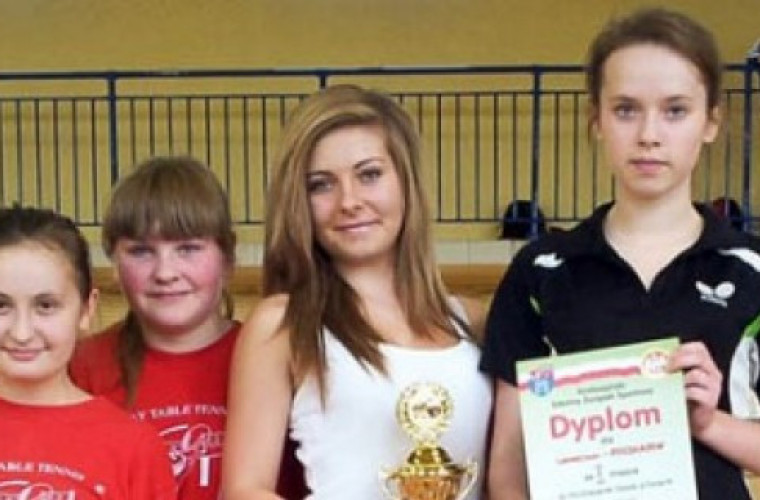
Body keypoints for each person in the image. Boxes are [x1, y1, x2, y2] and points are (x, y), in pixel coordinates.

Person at [480, 8, 760, 500]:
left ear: (711, 122)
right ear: (596, 120)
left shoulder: (751, 269)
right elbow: (507, 462)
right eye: (626, 109)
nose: (649, 134)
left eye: (675, 110)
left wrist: (707, 422)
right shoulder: (542, 270)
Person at [223, 84, 493, 499]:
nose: (349, 201)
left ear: (406, 182)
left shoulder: (473, 321)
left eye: (369, 175)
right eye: (321, 185)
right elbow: (244, 490)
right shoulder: (283, 323)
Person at [68, 156, 305, 499]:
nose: (165, 272)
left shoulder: (272, 358)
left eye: (188, 249)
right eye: (141, 252)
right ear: (114, 261)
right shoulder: (81, 367)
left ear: (228, 257)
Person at [0, 205, 176, 499]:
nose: (22, 333)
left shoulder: (132, 446)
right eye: (1, 306)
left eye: (46, 306)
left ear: (86, 309)